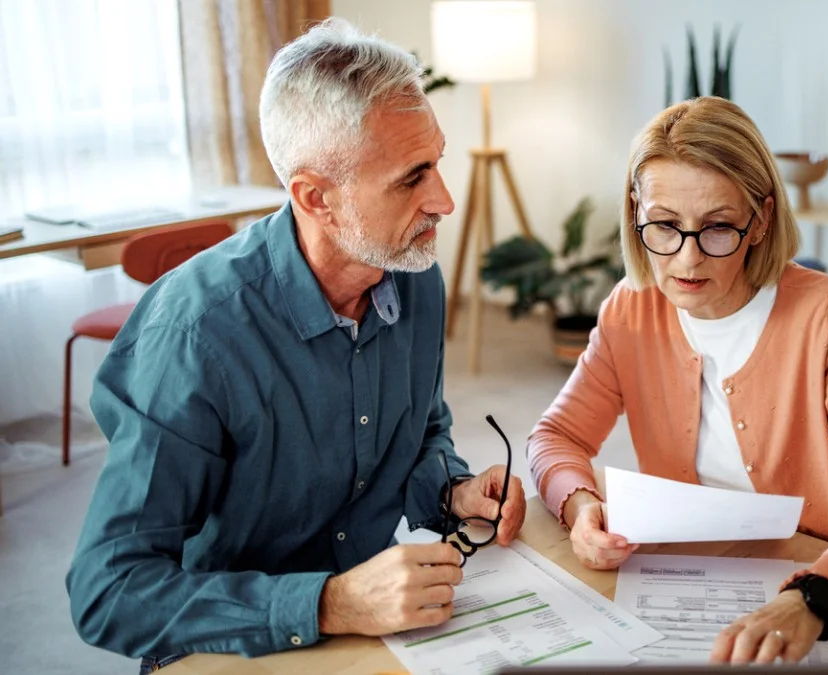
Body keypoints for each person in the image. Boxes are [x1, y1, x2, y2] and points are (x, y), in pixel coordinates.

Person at [65, 19, 525, 670]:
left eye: (438, 162)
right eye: (411, 177)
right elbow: (108, 590)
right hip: (232, 649)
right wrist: (330, 603)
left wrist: (453, 489)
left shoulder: (416, 278)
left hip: (373, 636)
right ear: (316, 197)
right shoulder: (194, 332)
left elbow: (423, 435)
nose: (444, 200)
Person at [527, 96, 828, 665]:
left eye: (718, 227)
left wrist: (814, 596)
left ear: (761, 218)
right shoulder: (631, 309)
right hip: (702, 577)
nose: (688, 260)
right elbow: (556, 439)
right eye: (665, 226)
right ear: (636, 211)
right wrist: (579, 506)